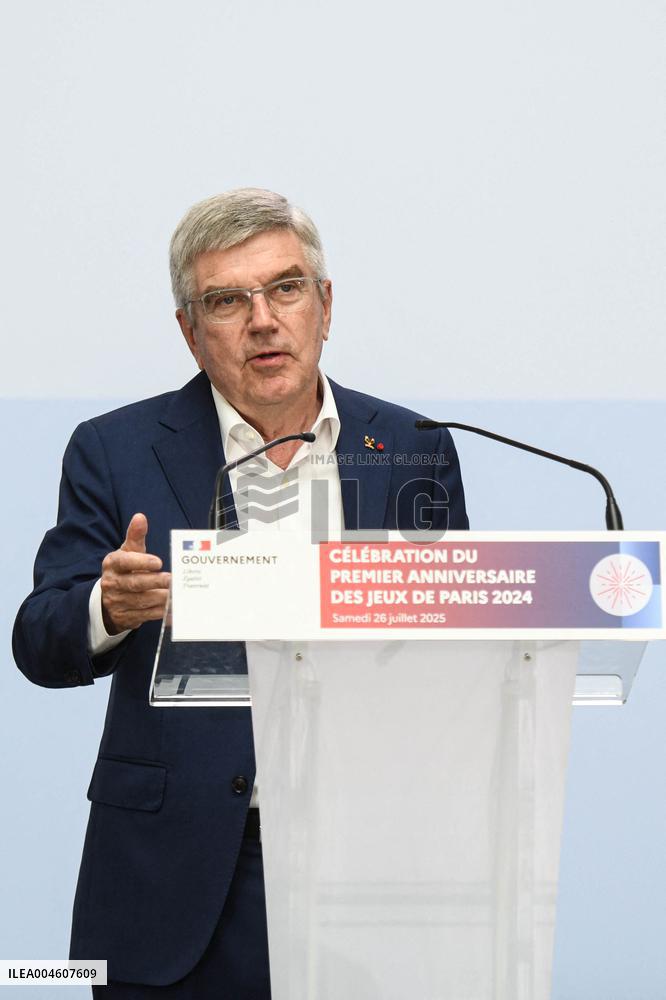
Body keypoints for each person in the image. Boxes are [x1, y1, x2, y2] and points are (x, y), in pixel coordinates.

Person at [12, 188, 468, 997]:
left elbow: (455, 633)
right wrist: (109, 609)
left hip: (365, 861)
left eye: (286, 288)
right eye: (227, 300)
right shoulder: (115, 450)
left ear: (324, 306)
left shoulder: (409, 447)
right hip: (174, 870)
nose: (263, 318)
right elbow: (39, 637)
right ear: (190, 332)